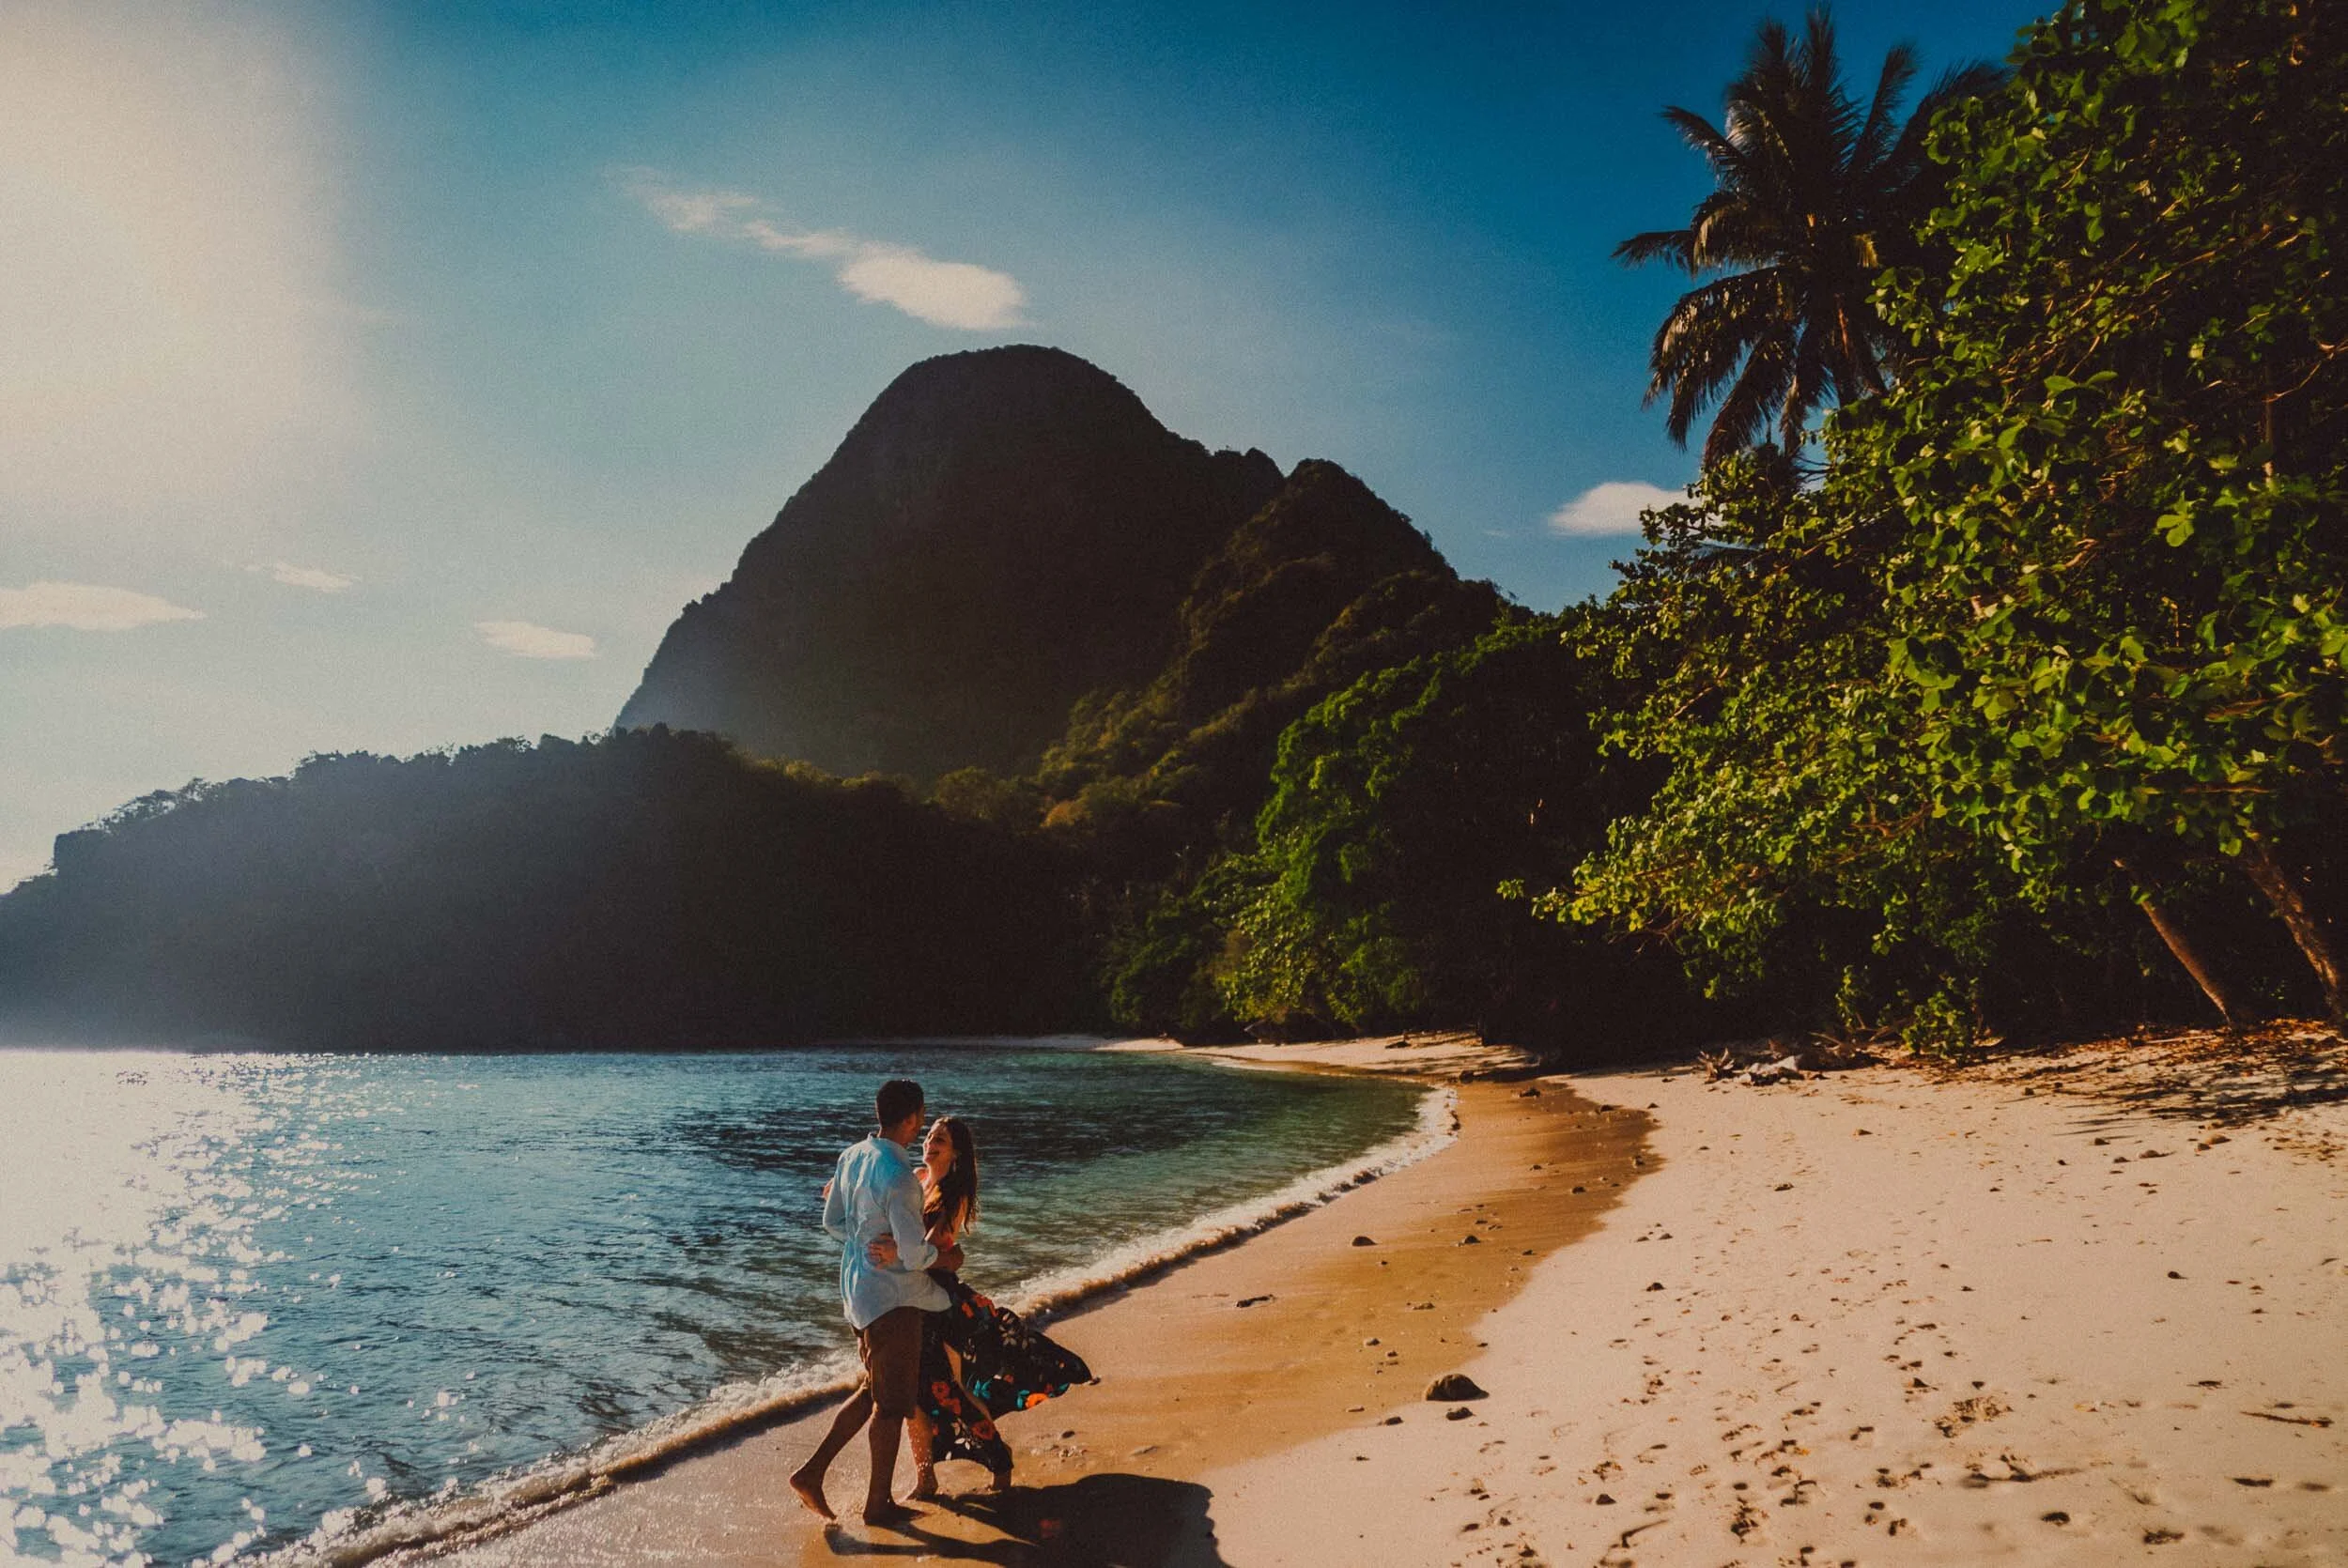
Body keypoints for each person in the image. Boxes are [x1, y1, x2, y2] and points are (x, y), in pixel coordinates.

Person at [878, 1115, 1093, 1497]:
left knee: (950, 1391)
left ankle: (1000, 1462)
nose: (930, 1143)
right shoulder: (916, 1178)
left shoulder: (952, 1195)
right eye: (929, 1136)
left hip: (940, 1306)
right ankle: (925, 1478)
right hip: (910, 1298)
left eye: (940, 1139)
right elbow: (886, 1209)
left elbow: (926, 1250)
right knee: (917, 1396)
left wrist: (899, 1250)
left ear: (956, 1153)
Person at [789, 1079, 961, 1527]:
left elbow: (832, 1222)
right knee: (890, 1406)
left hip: (856, 1292)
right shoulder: (901, 1179)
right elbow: (915, 1252)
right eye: (921, 1116)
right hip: (893, 1301)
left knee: (872, 1392)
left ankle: (811, 1474)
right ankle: (878, 1505)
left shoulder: (852, 1156)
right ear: (912, 1119)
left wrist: (865, 1243)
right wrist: (941, 1256)